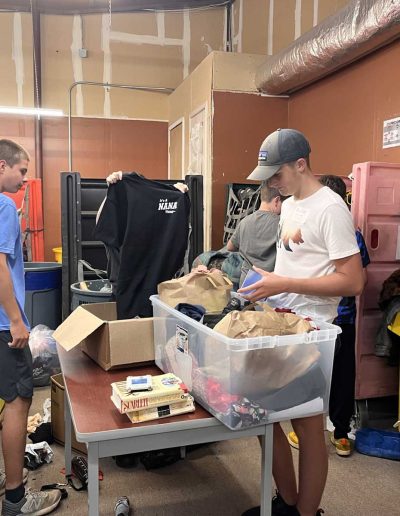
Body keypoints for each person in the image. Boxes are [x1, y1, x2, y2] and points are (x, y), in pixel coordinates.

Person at [238, 129, 364, 516]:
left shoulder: (330, 209)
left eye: (276, 174)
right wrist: (267, 281)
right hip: (279, 323)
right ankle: (287, 501)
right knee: (264, 418)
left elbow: (353, 282)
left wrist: (285, 282)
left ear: (300, 164)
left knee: (308, 429)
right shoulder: (289, 203)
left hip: (312, 333)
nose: (272, 183)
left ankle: (307, 512)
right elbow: (298, 262)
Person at [287, 174, 370, 457]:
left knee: (339, 376)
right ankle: (311, 428)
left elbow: (361, 279)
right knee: (314, 376)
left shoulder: (348, 231)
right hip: (316, 319)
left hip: (341, 318)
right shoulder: (305, 222)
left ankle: (340, 431)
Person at [0, 139, 61, 515]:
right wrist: (17, 321)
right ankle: (16, 499)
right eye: (21, 171)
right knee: (19, 402)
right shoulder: (4, 205)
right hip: (4, 325)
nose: (25, 178)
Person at [226, 182, 283, 286]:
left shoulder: (245, 221)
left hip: (246, 285)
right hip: (269, 286)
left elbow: (230, 247)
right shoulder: (281, 224)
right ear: (277, 200)